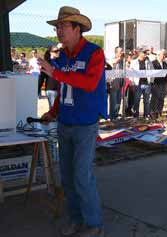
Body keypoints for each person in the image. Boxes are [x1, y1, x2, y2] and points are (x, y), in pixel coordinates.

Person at [38, 6, 107, 237]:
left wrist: (55, 74)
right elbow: (64, 89)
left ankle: (94, 224)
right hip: (65, 124)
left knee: (81, 176)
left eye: (63, 26)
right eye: (57, 26)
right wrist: (54, 112)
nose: (58, 30)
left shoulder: (94, 53)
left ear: (77, 29)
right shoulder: (61, 56)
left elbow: (88, 83)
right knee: (67, 177)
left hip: (85, 125)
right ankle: (76, 220)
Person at [129, 46, 153, 119]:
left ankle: (146, 115)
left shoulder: (148, 62)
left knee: (146, 101)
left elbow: (152, 72)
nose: (146, 53)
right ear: (140, 53)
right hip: (137, 84)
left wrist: (151, 82)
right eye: (144, 52)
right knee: (136, 100)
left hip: (146, 84)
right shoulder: (133, 62)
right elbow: (131, 74)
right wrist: (132, 84)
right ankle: (136, 115)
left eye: (146, 52)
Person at [150, 49, 167, 119]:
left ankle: (159, 112)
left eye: (164, 55)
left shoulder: (165, 63)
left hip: (164, 84)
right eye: (163, 55)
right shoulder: (153, 63)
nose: (164, 56)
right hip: (156, 83)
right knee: (155, 99)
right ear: (158, 55)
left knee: (161, 99)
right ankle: (153, 113)